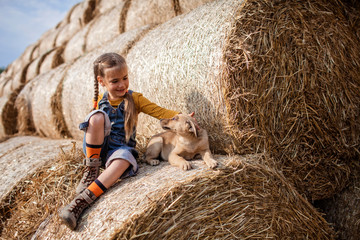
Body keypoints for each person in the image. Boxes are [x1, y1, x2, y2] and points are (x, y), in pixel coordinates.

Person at [59, 52, 181, 230]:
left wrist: (180, 117)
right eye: (115, 81)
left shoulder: (135, 98)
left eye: (125, 78)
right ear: (102, 82)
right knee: (97, 117)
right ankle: (91, 169)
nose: (122, 84)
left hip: (120, 150)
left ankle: (81, 202)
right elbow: (92, 128)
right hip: (98, 149)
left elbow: (159, 112)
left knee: (124, 158)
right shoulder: (101, 101)